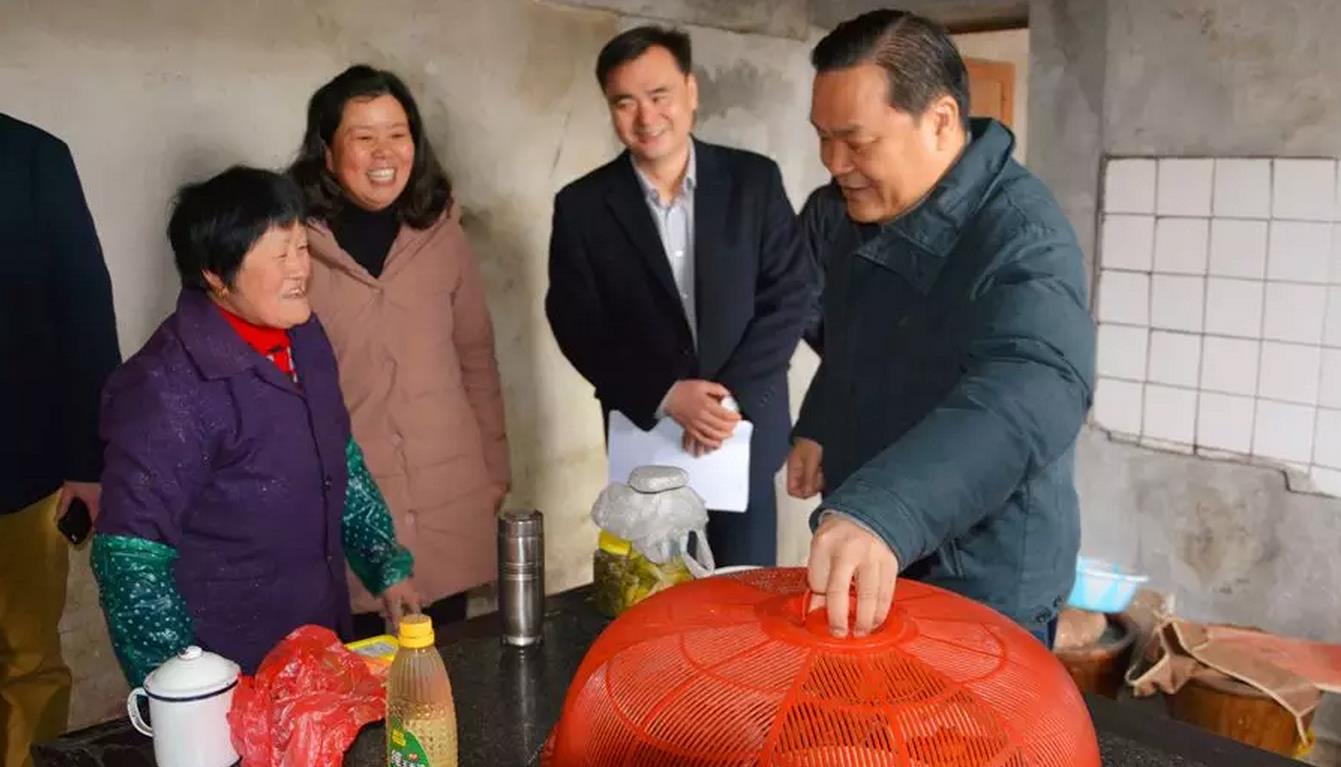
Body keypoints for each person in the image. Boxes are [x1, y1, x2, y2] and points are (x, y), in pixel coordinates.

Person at [790, 10, 1095, 646]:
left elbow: (1033, 388)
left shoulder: (1021, 235)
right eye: (823, 137)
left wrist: (887, 509)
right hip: (884, 549)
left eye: (856, 142)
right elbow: (852, 339)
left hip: (979, 579)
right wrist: (821, 419)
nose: (834, 162)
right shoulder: (856, 212)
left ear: (940, 120)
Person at [93, 167, 419, 683]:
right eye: (279, 255)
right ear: (215, 275)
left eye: (302, 248)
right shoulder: (164, 388)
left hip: (318, 645)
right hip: (231, 673)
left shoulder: (304, 336)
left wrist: (386, 566)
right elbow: (131, 558)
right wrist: (186, 695)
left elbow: (340, 455)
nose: (300, 270)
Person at [546, 26, 810, 567]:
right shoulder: (582, 206)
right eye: (625, 102)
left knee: (745, 590)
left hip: (742, 434)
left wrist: (722, 400)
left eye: (659, 95)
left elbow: (791, 293)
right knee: (658, 592)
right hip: (648, 442)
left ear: (691, 91)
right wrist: (666, 394)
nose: (646, 117)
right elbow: (575, 321)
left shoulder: (753, 182)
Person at [289, 65, 509, 635]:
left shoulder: (442, 232)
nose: (384, 152)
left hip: (447, 491)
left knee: (449, 660)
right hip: (350, 504)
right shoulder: (295, 245)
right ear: (327, 152)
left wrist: (493, 472)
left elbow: (476, 356)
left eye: (398, 133)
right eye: (363, 137)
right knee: (360, 668)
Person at [0, 113, 121, 767]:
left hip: (21, 464)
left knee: (28, 659)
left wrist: (88, 462)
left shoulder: (31, 157)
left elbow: (83, 309)